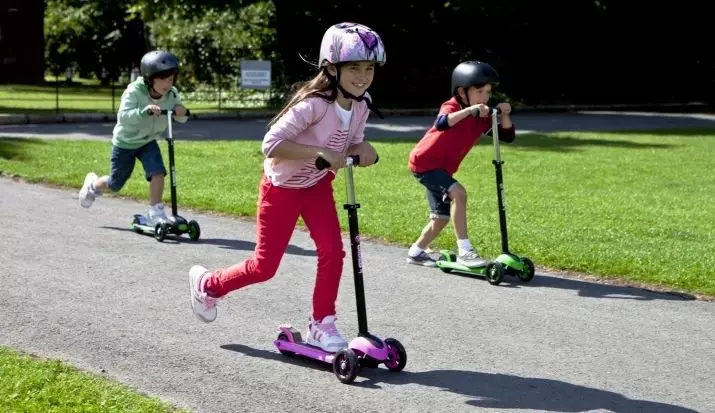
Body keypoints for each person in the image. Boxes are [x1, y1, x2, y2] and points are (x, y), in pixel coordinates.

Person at [187, 22, 384, 353]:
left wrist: (362, 150)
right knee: (265, 267)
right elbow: (271, 143)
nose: (363, 75)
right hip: (281, 189)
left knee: (333, 251)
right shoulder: (314, 105)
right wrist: (316, 153)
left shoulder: (361, 103)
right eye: (354, 67)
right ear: (332, 68)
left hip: (317, 186)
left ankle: (322, 323)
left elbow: (350, 144)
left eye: (369, 67)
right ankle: (209, 284)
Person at [405, 60, 516, 268]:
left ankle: (416, 252)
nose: (484, 97)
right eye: (479, 91)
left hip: (442, 169)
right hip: (424, 163)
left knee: (441, 218)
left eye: (488, 92)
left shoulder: (481, 117)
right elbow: (442, 123)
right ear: (462, 91)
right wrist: (468, 111)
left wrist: (504, 114)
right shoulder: (453, 106)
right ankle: (465, 250)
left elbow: (507, 136)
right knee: (459, 193)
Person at [78, 50, 189, 226]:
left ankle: (155, 211)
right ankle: (93, 184)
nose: (168, 83)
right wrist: (144, 111)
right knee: (115, 184)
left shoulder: (172, 94)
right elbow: (123, 117)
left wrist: (182, 112)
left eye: (171, 78)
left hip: (148, 141)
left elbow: (179, 115)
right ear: (149, 78)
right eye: (163, 78)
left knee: (158, 172)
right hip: (125, 143)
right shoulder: (134, 91)